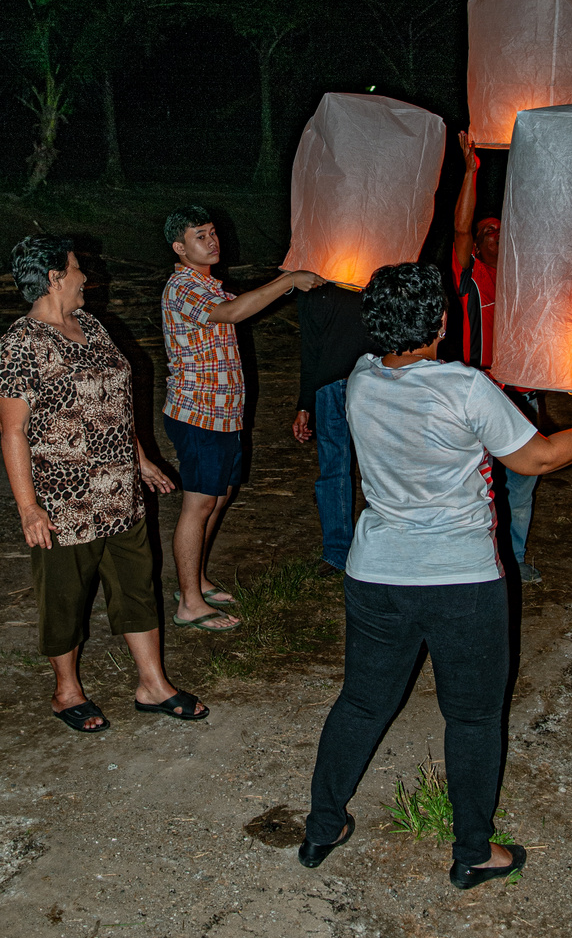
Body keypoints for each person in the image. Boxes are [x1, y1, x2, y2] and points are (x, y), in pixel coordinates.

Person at [299, 262, 572, 887]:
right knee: (474, 718)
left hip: (377, 573)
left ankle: (322, 826)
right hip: (460, 580)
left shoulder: (361, 380)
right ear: (439, 321)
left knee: (361, 702)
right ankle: (474, 852)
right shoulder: (463, 388)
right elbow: (538, 457)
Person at [0, 235, 208, 733]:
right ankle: (65, 690)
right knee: (66, 597)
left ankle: (152, 684)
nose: (84, 279)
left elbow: (114, 403)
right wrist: (29, 509)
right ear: (53, 278)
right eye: (76, 270)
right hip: (63, 501)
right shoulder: (21, 343)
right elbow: (12, 430)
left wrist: (140, 460)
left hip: (120, 493)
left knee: (137, 585)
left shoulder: (91, 326)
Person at [162, 205, 325, 630]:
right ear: (180, 248)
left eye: (213, 232)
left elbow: (243, 304)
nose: (212, 241)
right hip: (198, 415)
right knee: (198, 504)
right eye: (201, 235)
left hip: (224, 416)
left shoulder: (209, 286)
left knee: (219, 497)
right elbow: (234, 314)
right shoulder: (182, 287)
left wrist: (289, 285)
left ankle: (192, 581)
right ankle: (189, 604)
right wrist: (289, 280)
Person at [452, 130, 541, 583]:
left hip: (523, 394)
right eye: (489, 233)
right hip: (484, 388)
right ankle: (484, 560)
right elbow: (461, 229)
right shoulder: (472, 278)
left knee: (522, 484)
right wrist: (471, 173)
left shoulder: (527, 281)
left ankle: (517, 559)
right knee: (481, 485)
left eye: (501, 232)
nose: (494, 238)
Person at [292, 284, 381, 574]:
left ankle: (380, 546)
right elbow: (309, 344)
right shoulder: (310, 286)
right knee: (333, 470)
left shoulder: (373, 268)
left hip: (375, 381)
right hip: (329, 387)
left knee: (379, 466)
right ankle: (336, 552)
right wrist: (305, 404)